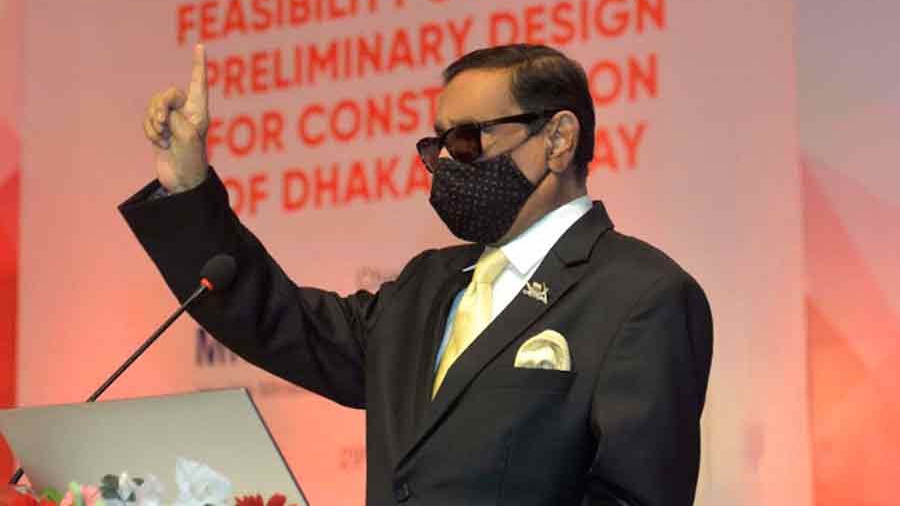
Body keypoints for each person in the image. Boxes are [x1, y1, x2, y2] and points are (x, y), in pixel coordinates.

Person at [120, 43, 713, 506]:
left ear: (558, 139)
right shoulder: (428, 284)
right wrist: (189, 188)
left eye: (468, 139)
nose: (447, 163)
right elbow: (279, 321)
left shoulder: (641, 295)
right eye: (439, 146)